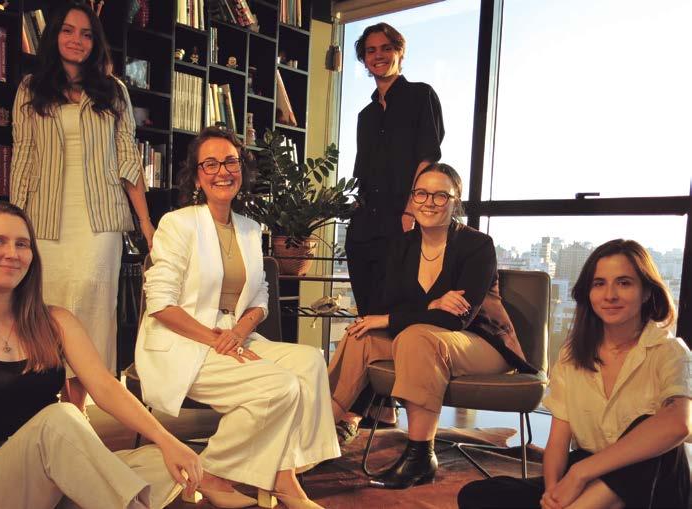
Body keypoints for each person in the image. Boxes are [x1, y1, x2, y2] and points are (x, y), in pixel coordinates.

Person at [0, 202, 201, 509]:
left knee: (165, 461)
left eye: (22, 244)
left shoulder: (55, 322)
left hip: (53, 476)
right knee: (60, 419)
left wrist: (167, 440)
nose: (11, 253)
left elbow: (104, 386)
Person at [135, 127, 340, 509]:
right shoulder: (177, 224)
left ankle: (283, 475)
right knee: (280, 386)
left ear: (241, 169)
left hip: (234, 334)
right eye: (210, 164)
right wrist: (216, 339)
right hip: (184, 341)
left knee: (310, 361)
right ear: (197, 176)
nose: (222, 171)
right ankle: (214, 472)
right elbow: (160, 304)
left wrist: (240, 330)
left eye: (230, 161)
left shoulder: (249, 229)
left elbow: (260, 295)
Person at [328, 163, 537, 489]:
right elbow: (384, 304)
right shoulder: (401, 245)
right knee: (361, 336)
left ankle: (420, 456)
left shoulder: (477, 246)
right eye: (421, 193)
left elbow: (457, 319)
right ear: (412, 199)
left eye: (441, 195)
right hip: (422, 340)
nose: (429, 202)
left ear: (455, 201)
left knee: (416, 336)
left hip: (480, 343)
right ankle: (316, 434)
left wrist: (396, 317)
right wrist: (430, 306)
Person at [458, 239, 691, 509]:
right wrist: (553, 492)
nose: (610, 295)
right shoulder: (573, 355)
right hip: (590, 479)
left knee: (651, 433)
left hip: (652, 487)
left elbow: (679, 424)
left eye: (624, 283)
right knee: (478, 495)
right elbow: (558, 442)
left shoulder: (669, 351)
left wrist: (581, 473)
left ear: (647, 291)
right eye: (599, 283)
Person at [10, 1, 155, 413]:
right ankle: (49, 408)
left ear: (96, 42)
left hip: (100, 221)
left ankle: (77, 412)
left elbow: (127, 158)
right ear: (54, 36)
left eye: (87, 34)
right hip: (43, 219)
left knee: (92, 312)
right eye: (69, 31)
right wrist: (13, 225)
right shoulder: (30, 89)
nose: (77, 40)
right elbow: (23, 158)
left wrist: (145, 223)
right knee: (45, 310)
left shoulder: (114, 91)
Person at [345, 22, 444, 318]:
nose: (378, 55)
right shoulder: (366, 115)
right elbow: (362, 172)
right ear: (364, 59)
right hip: (364, 227)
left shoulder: (421, 96)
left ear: (400, 52)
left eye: (386, 48)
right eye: (371, 50)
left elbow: (428, 157)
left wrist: (410, 211)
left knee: (397, 312)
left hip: (403, 221)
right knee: (367, 314)